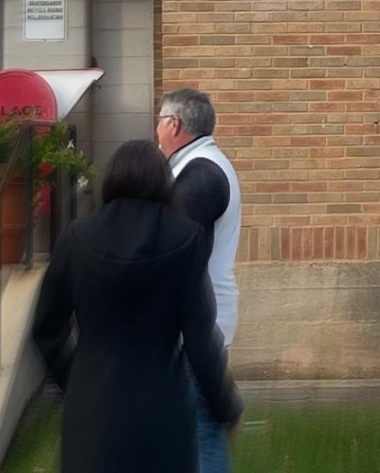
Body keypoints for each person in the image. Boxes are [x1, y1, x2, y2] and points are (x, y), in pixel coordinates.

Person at [31, 139, 242, 473]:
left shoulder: (75, 237)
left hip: (91, 403)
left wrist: (74, 379)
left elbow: (45, 327)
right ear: (162, 181)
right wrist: (225, 406)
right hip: (161, 406)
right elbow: (201, 341)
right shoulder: (186, 238)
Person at [156, 88, 242, 473]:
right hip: (199, 321)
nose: (155, 128)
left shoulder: (201, 175)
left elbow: (174, 255)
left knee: (201, 430)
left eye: (158, 119)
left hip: (199, 326)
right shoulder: (199, 167)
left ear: (173, 124)